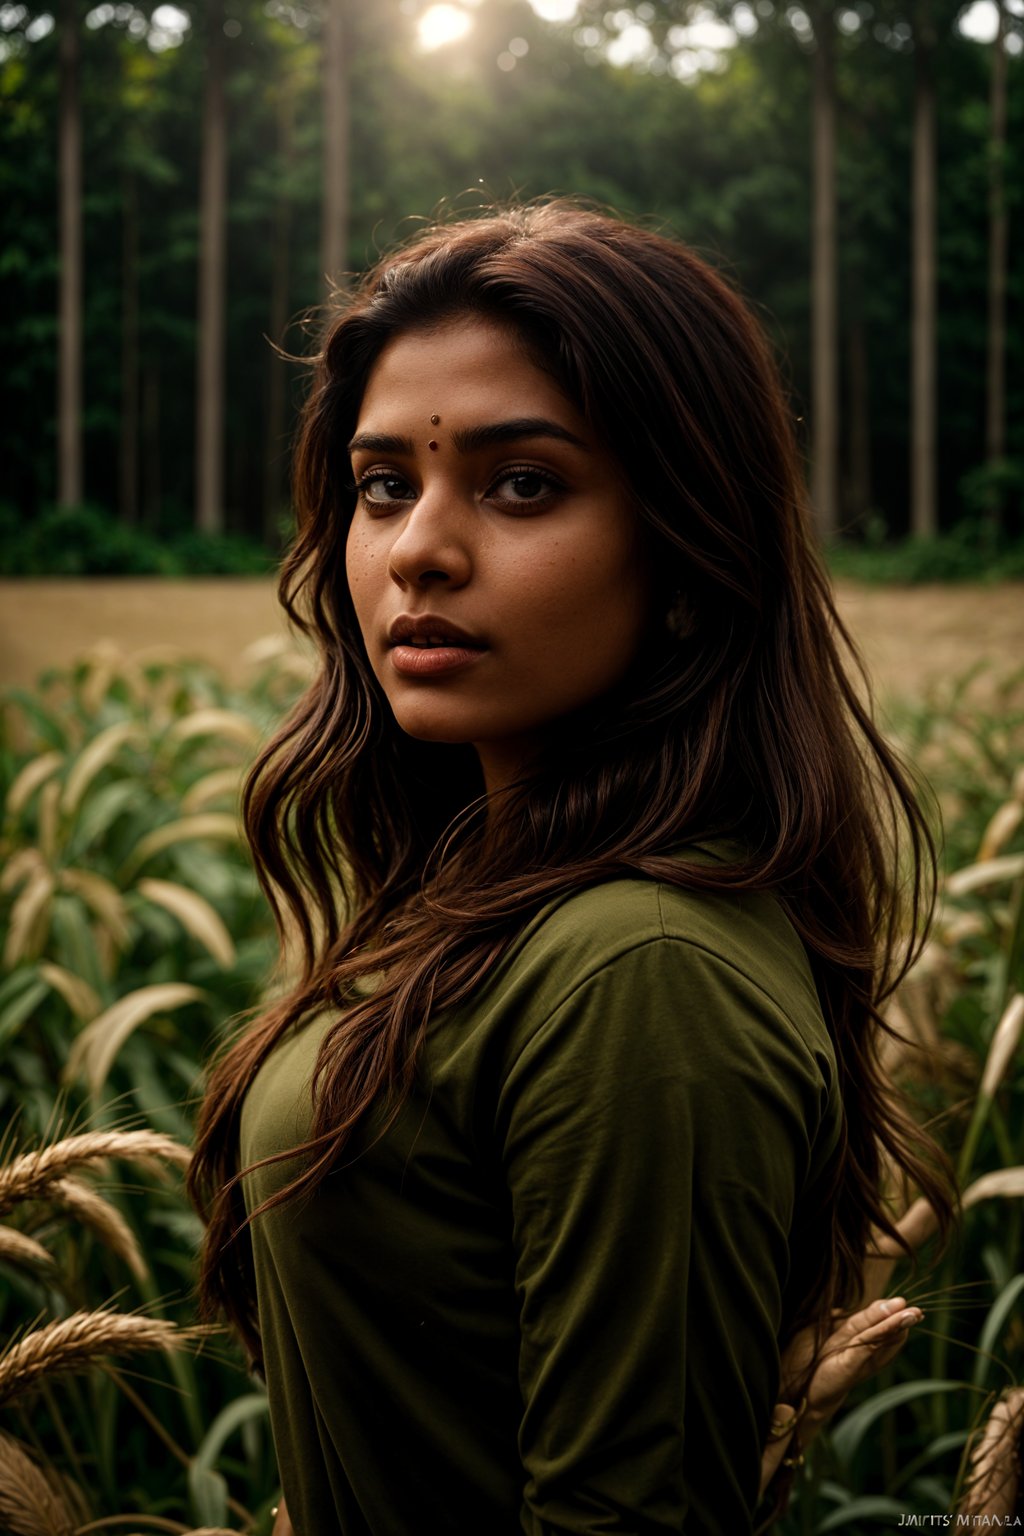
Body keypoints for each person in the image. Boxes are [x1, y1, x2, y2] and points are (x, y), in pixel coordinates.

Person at [188, 201, 952, 1534]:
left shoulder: (638, 965)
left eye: (521, 482)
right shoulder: (496, 894)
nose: (417, 547)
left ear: (687, 548)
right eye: (384, 485)